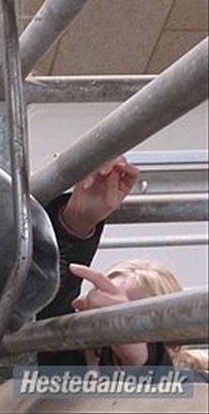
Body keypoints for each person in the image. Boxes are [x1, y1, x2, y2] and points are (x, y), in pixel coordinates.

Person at [38, 156, 208, 376]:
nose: (102, 322)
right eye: (100, 304)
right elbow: (41, 312)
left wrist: (137, 359)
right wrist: (75, 224)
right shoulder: (70, 369)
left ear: (173, 346)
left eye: (133, 314)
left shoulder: (196, 387)